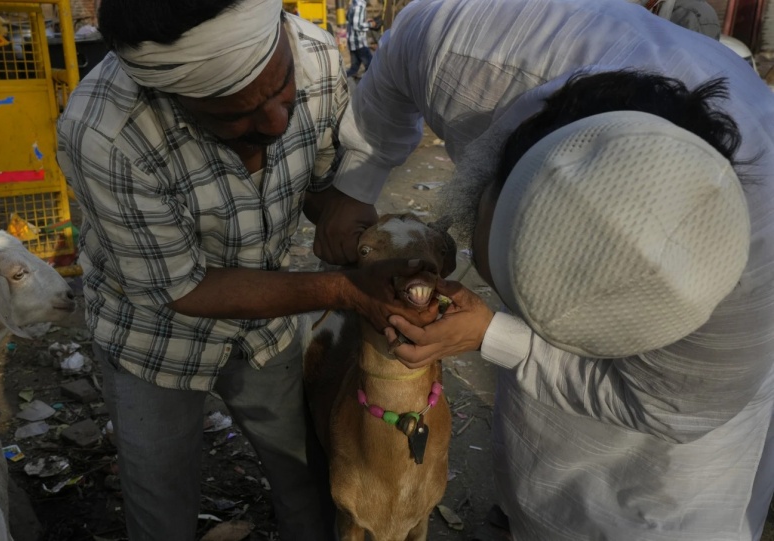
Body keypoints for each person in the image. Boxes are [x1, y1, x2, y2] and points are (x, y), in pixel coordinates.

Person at [314, 0, 774, 539]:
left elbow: (671, 410)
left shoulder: (749, 289)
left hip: (671, 454)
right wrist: (357, 182)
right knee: (533, 472)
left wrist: (496, 334)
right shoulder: (467, 46)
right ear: (504, 174)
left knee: (645, 513)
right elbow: (396, 62)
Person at [55, 1, 440, 540]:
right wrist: (346, 289)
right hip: (152, 341)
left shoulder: (316, 58)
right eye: (232, 117)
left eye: (282, 92)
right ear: (173, 96)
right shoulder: (107, 134)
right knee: (162, 509)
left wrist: (353, 227)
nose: (276, 123)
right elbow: (184, 288)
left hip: (268, 332)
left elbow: (323, 187)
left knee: (308, 483)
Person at [345, 0, 374, 78]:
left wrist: (364, 21)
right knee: (371, 66)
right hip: (359, 42)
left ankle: (344, 80)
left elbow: (349, 18)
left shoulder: (354, 3)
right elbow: (357, 26)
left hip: (352, 42)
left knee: (354, 69)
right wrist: (370, 24)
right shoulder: (360, 6)